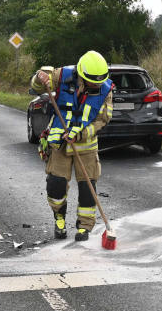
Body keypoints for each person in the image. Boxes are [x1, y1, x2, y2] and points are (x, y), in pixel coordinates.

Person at [29, 50, 114, 241]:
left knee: (87, 189)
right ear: (81, 75)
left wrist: (81, 134)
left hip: (86, 147)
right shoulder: (61, 76)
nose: (96, 85)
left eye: (99, 82)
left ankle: (84, 227)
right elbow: (37, 87)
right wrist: (38, 77)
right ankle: (59, 217)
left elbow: (102, 120)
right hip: (59, 145)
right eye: (92, 82)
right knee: (55, 186)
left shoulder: (106, 90)